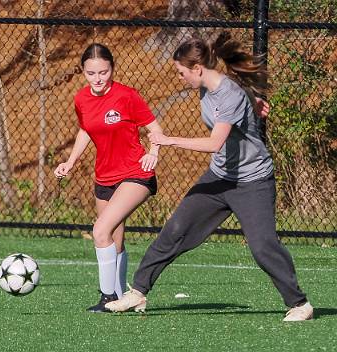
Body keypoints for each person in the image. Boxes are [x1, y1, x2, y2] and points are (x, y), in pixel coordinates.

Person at [105, 32, 313, 322]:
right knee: (175, 228)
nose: (179, 78)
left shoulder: (228, 93)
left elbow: (215, 142)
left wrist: (169, 140)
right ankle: (138, 291)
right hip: (218, 177)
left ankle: (300, 304)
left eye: (181, 73)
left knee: (262, 245)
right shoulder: (208, 87)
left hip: (252, 181)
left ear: (197, 69)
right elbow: (241, 99)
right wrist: (255, 102)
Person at [54, 43, 162, 312]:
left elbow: (155, 129)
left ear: (112, 69)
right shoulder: (81, 99)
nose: (98, 78)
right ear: (83, 72)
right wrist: (70, 161)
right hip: (104, 177)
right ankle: (118, 297)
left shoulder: (127, 96)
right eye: (91, 73)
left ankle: (105, 298)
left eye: (104, 72)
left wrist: (153, 152)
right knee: (114, 238)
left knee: (100, 231)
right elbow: (86, 130)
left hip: (136, 173)